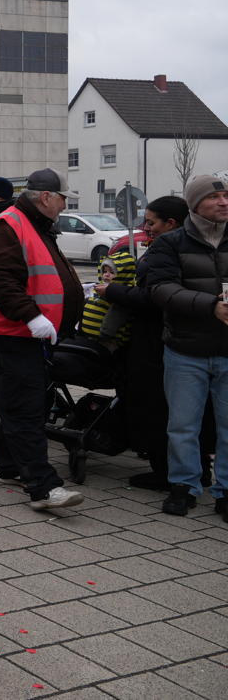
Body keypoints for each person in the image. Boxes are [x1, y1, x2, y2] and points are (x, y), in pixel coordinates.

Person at [0, 168, 85, 510]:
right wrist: (33, 316)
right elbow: (2, 281)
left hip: (24, 333)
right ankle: (42, 487)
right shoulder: (11, 224)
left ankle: (9, 466)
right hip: (12, 333)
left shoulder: (33, 222)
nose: (65, 207)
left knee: (19, 402)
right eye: (64, 199)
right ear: (47, 197)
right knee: (27, 407)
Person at [148, 175, 228, 520]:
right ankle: (184, 486)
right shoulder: (170, 243)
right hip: (185, 350)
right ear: (195, 204)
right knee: (182, 425)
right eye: (215, 197)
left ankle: (225, 491)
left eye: (227, 196)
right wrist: (211, 305)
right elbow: (161, 289)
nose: (224, 202)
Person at [99, 196, 189, 491]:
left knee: (157, 407)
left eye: (151, 222)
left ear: (171, 223)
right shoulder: (186, 245)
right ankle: (187, 470)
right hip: (166, 338)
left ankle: (165, 472)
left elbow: (154, 298)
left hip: (155, 341)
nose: (145, 228)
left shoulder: (170, 249)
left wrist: (113, 291)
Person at [80, 251, 136, 346]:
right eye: (105, 271)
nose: (106, 274)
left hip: (108, 341)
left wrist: (105, 334)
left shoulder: (121, 295)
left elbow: (116, 316)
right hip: (89, 336)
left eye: (112, 272)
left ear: (123, 275)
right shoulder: (100, 288)